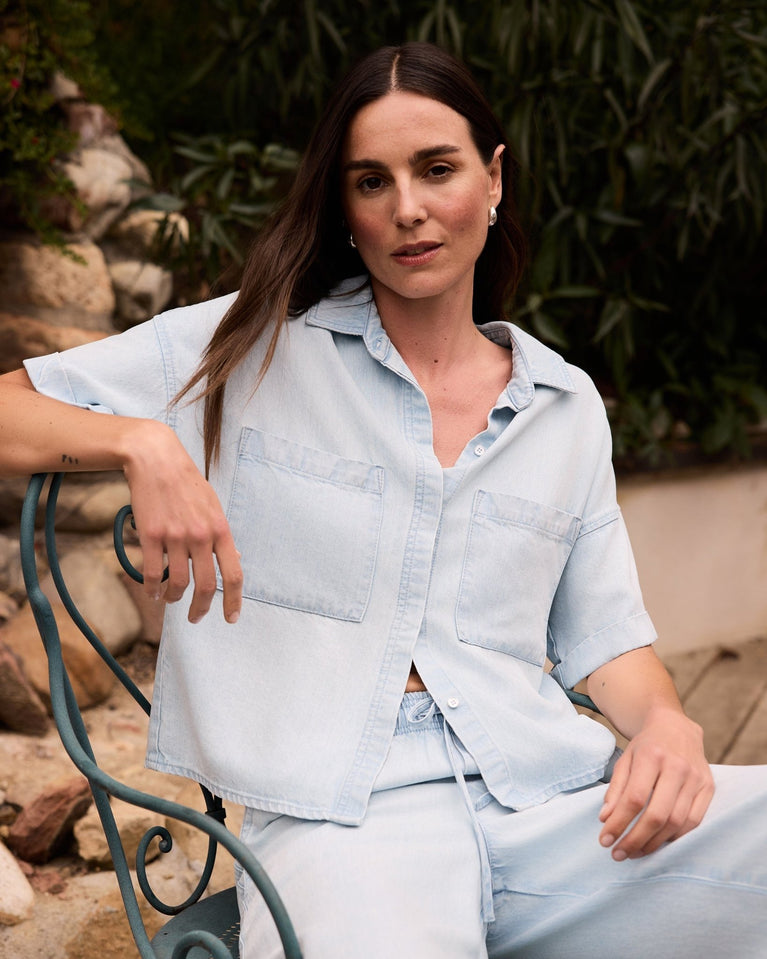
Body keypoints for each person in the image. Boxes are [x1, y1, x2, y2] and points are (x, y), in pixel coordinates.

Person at [0, 41, 765, 959]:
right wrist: (142, 442)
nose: (407, 208)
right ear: (344, 208)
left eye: (436, 169)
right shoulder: (248, 348)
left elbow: (608, 644)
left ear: (492, 179)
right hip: (344, 827)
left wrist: (668, 724)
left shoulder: (562, 408)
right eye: (372, 181)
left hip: (557, 803)